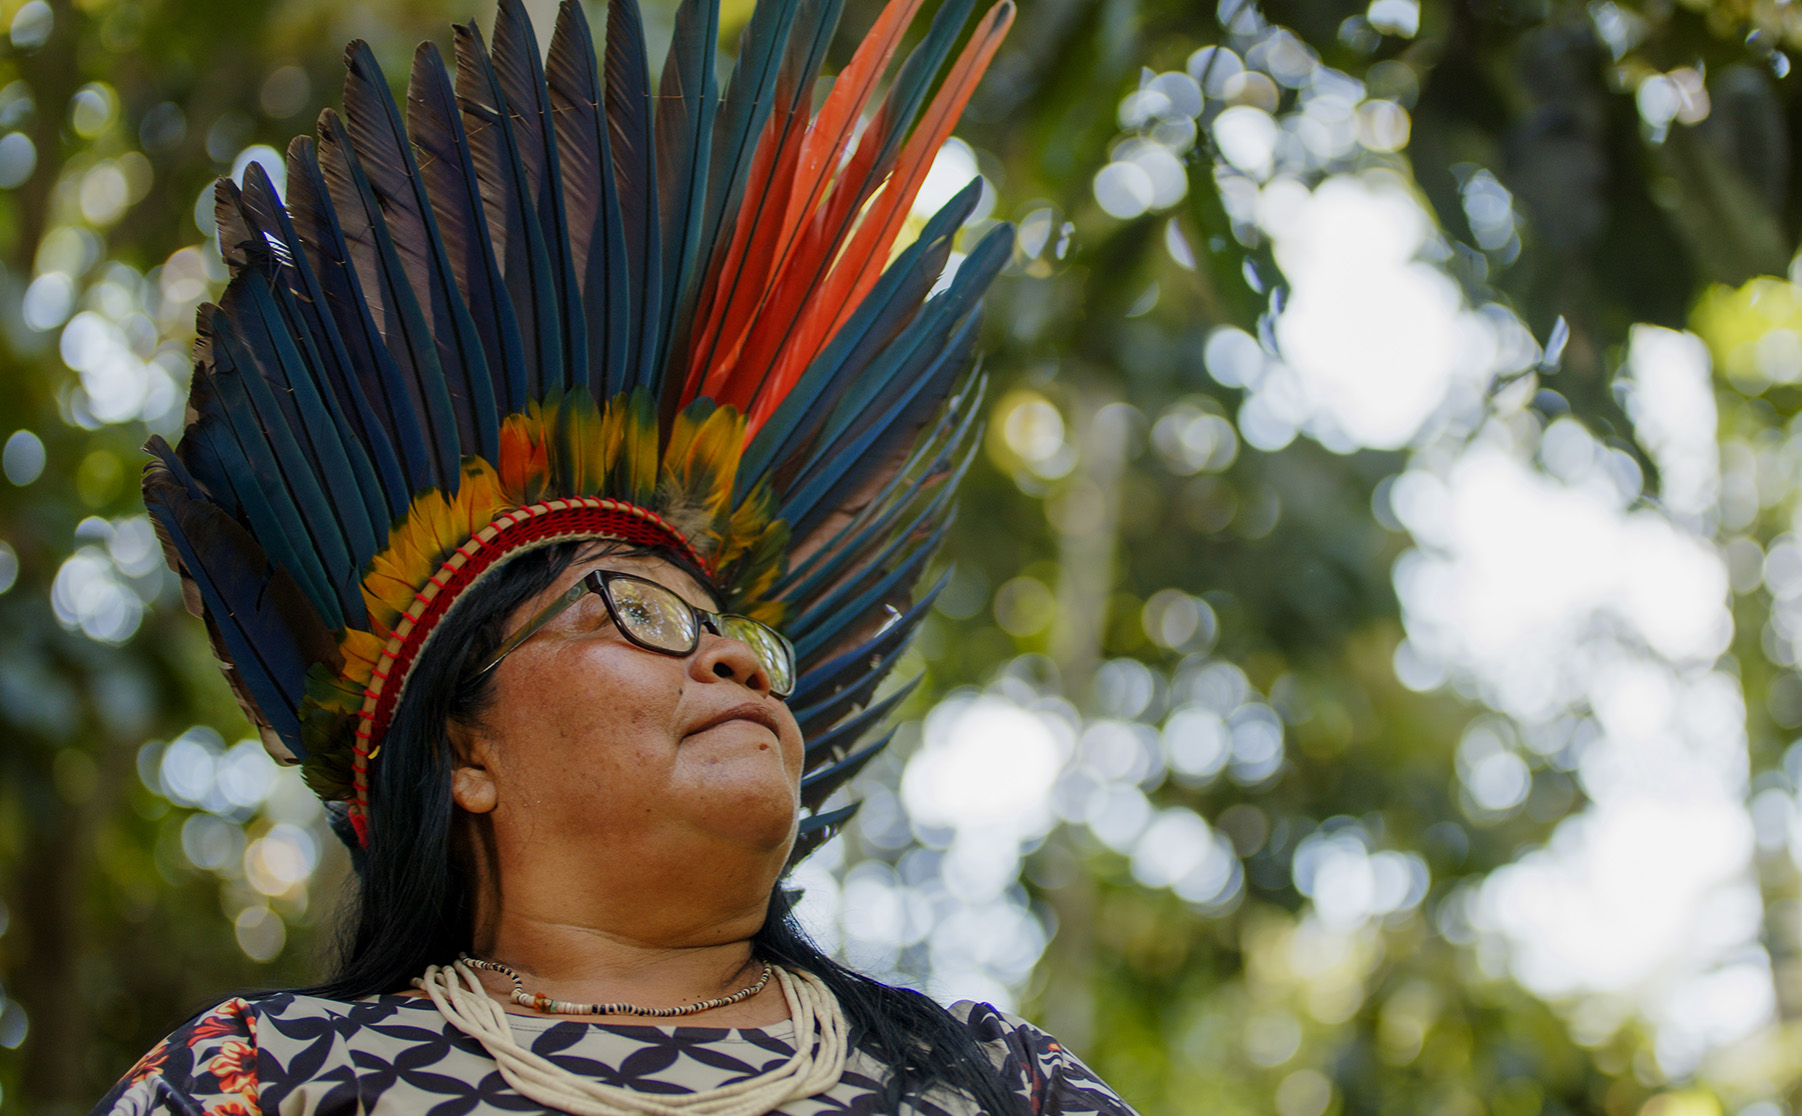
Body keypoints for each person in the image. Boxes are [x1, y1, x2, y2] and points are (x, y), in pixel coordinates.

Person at [94, 0, 1136, 1112]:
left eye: (738, 637)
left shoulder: (1002, 1079)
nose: (735, 661)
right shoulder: (261, 1073)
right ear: (464, 755)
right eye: (638, 612)